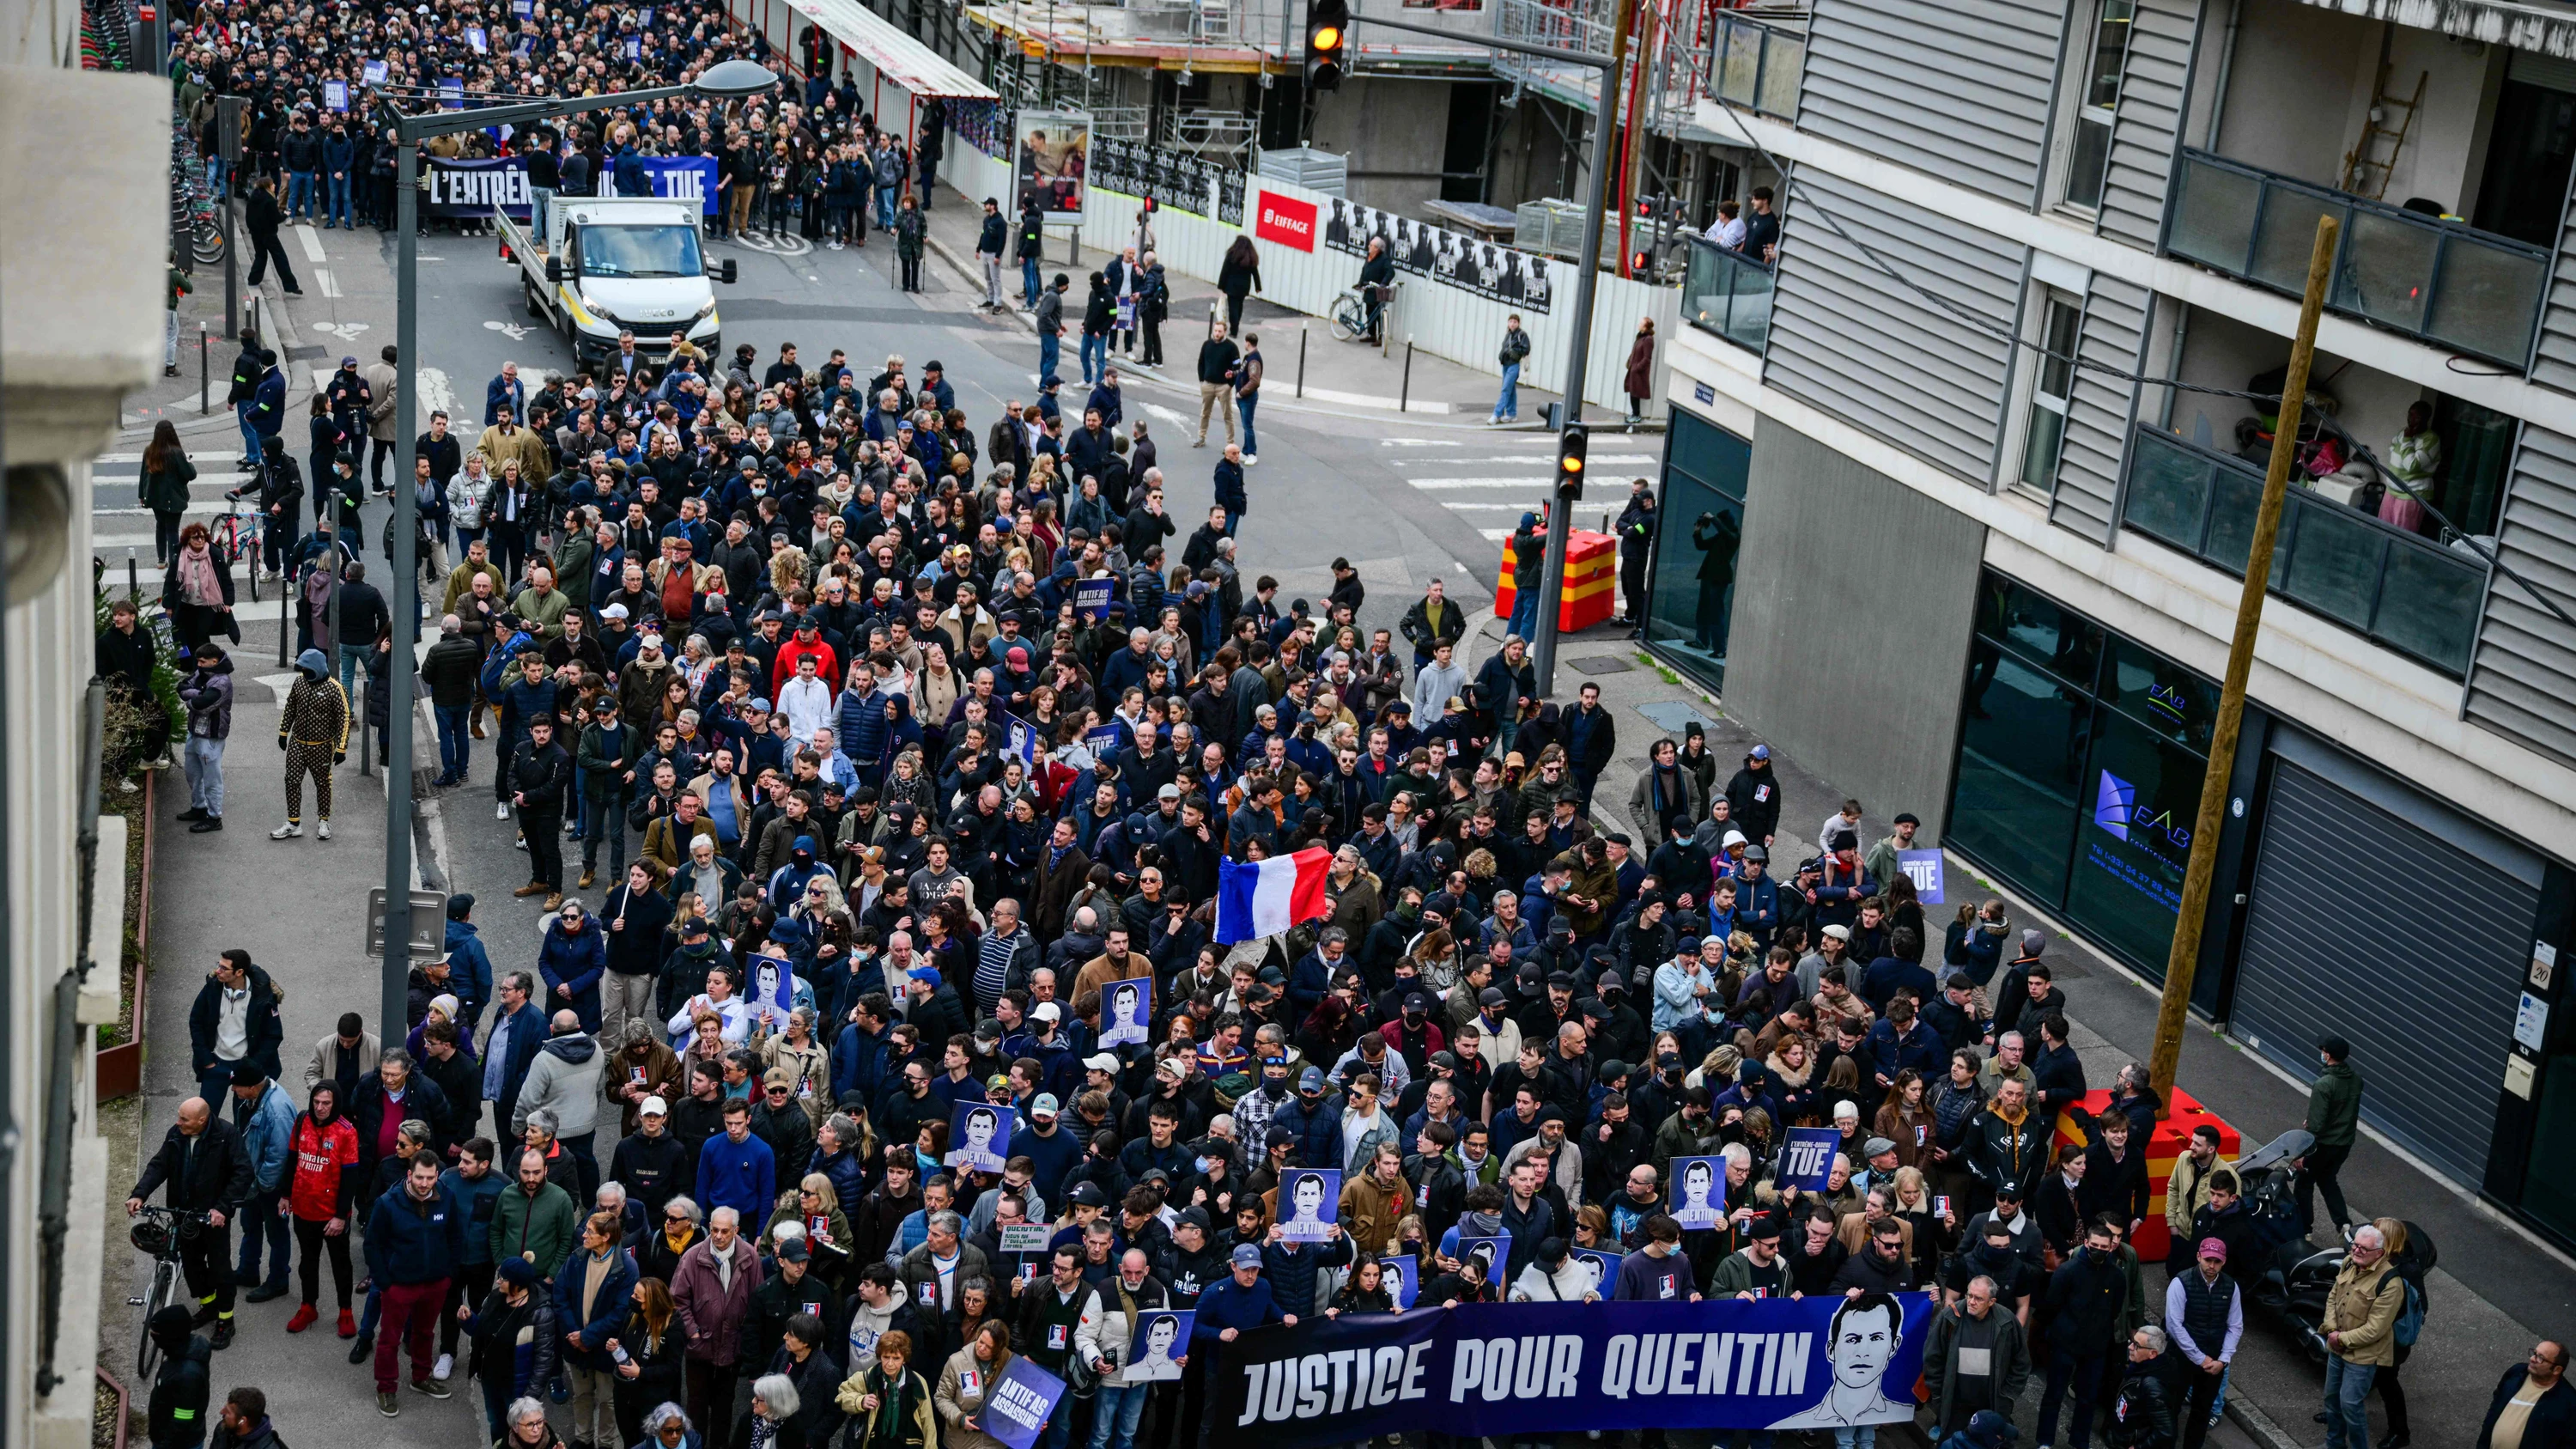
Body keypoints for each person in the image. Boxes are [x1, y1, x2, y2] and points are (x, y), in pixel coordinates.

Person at [365, 1154, 464, 1416]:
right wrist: (385, 1281)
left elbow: (455, 1236)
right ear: (409, 1174)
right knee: (389, 1339)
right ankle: (386, 1388)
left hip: (435, 1283)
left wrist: (448, 1274)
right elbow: (372, 1245)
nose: (425, 1183)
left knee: (425, 1333)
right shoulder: (387, 1203)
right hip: (399, 1285)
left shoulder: (447, 1197)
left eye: (430, 1177)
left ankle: (420, 1377)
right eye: (419, 1177)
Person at [2320, 1223, 2404, 1449]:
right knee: (2331, 1399)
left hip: (2363, 1356)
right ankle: (2334, 1444)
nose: (2356, 1251)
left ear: (2379, 1253)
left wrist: (2341, 1338)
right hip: (2337, 1344)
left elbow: (2376, 1329)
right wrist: (2330, 1328)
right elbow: (2333, 1296)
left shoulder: (2391, 1284)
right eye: (2355, 1245)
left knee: (2349, 1404)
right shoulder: (2349, 1262)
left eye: (2363, 1249)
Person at [2163, 1238, 2240, 1449]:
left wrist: (2223, 1360)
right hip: (2181, 1358)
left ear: (2223, 1262)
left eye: (2217, 1261)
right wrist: (2201, 1358)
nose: (2211, 1266)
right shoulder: (2180, 1282)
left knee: (2202, 1412)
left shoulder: (2231, 1287)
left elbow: (2235, 1326)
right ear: (2198, 1257)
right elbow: (2174, 1325)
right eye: (2208, 1260)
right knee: (2171, 1408)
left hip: (2213, 1362)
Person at [270, 648, 349, 842]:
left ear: (318, 668)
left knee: (323, 783)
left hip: (322, 746)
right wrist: (283, 732)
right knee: (292, 781)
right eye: (302, 669)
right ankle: (293, 824)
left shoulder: (335, 688)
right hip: (297, 744)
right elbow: (290, 707)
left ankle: (323, 821)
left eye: (308, 669)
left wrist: (341, 748)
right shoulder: (299, 683)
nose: (304, 673)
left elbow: (344, 718)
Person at [2300, 1035, 2362, 1240]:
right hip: (2344, 1144)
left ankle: (2304, 1229)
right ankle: (2344, 1225)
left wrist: (2302, 1153)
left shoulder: (2324, 1084)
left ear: (2327, 1055)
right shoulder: (2355, 1080)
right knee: (2328, 1180)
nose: (2321, 1052)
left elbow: (2316, 1125)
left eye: (2323, 1050)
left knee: (2304, 1183)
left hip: (2322, 1145)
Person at [177, 642, 235, 832]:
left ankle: (214, 817)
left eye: (202, 662)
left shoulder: (222, 682)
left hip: (211, 737)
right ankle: (199, 807)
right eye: (198, 661)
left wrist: (192, 699)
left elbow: (202, 705)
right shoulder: (202, 673)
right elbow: (182, 687)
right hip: (195, 733)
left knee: (212, 779)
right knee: (193, 773)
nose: (199, 665)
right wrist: (198, 694)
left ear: (214, 661)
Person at [2476, 1341, 2573, 1449]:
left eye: (2540, 1358)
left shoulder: (2569, 1403)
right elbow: (2496, 1402)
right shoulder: (2516, 1373)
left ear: (2557, 1370)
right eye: (2534, 1353)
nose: (2532, 1359)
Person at [145, 1306, 212, 1449]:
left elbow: (182, 1419)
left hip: (179, 1444)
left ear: (170, 1336)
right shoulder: (182, 1349)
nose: (152, 1336)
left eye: (155, 1333)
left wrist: (165, 1445)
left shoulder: (187, 1375)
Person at [141, 418, 197, 563]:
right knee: (172, 530)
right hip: (174, 498)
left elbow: (143, 475)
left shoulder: (149, 451)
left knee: (160, 526)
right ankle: (174, 563)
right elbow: (190, 475)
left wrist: (142, 495)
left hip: (155, 498)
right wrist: (189, 463)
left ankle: (161, 559)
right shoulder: (176, 452)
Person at [241, 174, 304, 295]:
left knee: (261, 256)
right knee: (280, 258)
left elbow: (249, 215)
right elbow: (276, 218)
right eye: (273, 184)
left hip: (256, 233)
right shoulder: (269, 200)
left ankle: (253, 279)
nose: (275, 185)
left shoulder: (254, 197)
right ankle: (290, 285)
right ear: (268, 186)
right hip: (269, 234)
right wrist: (285, 214)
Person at [1195, 320, 1239, 450]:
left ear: (1225, 332)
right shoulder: (1207, 345)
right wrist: (1202, 381)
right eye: (1215, 331)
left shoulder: (1231, 347)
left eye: (1220, 331)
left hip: (1223, 386)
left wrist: (1230, 384)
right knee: (1205, 413)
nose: (1217, 333)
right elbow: (1201, 363)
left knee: (1227, 416)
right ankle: (1201, 437)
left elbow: (1237, 366)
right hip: (1208, 384)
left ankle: (1230, 443)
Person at [1492, 314, 1529, 425]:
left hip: (1514, 365)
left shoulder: (1522, 335)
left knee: (1505, 389)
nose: (1512, 324)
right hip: (1506, 365)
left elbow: (1526, 349)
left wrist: (1515, 353)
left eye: (1515, 322)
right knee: (1511, 389)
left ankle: (1496, 414)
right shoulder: (1508, 334)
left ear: (1518, 323)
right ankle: (1511, 414)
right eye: (1510, 321)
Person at [975, 197, 1009, 311]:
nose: (985, 206)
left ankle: (998, 304)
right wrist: (978, 249)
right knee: (987, 278)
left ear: (993, 206)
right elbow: (983, 234)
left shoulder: (1000, 222)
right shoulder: (986, 220)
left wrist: (998, 255)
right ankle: (990, 299)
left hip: (994, 254)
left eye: (987, 204)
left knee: (996, 279)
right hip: (985, 252)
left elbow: (1002, 240)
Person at [1623, 318, 1656, 429]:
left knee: (1635, 393)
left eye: (1641, 324)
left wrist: (1637, 368)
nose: (1639, 325)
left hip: (1638, 372)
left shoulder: (1648, 340)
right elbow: (1635, 352)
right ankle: (1634, 414)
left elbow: (1647, 358)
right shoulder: (1640, 337)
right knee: (1632, 392)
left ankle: (1636, 415)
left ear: (1645, 327)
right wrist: (1630, 363)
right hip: (1633, 370)